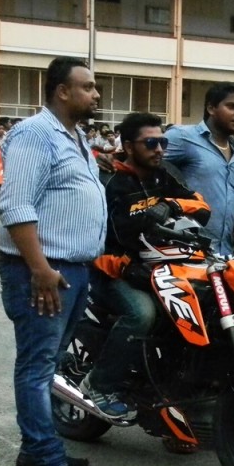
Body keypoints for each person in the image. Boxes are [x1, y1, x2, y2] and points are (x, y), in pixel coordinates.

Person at [0, 56, 106, 466]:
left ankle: (32, 448)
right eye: (88, 87)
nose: (96, 94)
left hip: (72, 270)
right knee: (37, 366)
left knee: (50, 362)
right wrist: (39, 269)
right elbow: (16, 205)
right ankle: (48, 462)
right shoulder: (35, 134)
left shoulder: (75, 136)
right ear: (62, 91)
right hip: (43, 271)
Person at [84, 112, 211, 418]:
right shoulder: (107, 181)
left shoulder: (163, 174)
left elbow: (202, 207)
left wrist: (170, 204)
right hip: (111, 272)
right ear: (128, 146)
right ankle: (99, 384)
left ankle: (173, 384)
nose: (160, 149)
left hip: (160, 267)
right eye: (151, 143)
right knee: (142, 314)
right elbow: (91, 241)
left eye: (163, 142)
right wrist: (126, 268)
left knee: (199, 307)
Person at [162, 82, 234, 255]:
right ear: (211, 108)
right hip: (188, 247)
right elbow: (143, 159)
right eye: (232, 106)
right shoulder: (182, 137)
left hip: (226, 251)